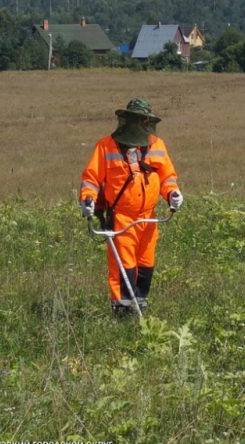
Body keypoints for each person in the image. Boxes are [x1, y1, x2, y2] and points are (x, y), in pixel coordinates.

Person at [79, 98, 183, 313]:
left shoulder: (157, 144)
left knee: (146, 264)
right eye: (137, 120)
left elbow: (167, 177)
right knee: (124, 266)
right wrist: (88, 200)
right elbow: (91, 179)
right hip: (121, 218)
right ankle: (123, 311)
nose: (141, 125)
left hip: (149, 217)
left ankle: (140, 306)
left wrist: (172, 193)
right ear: (126, 121)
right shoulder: (105, 146)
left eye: (144, 121)